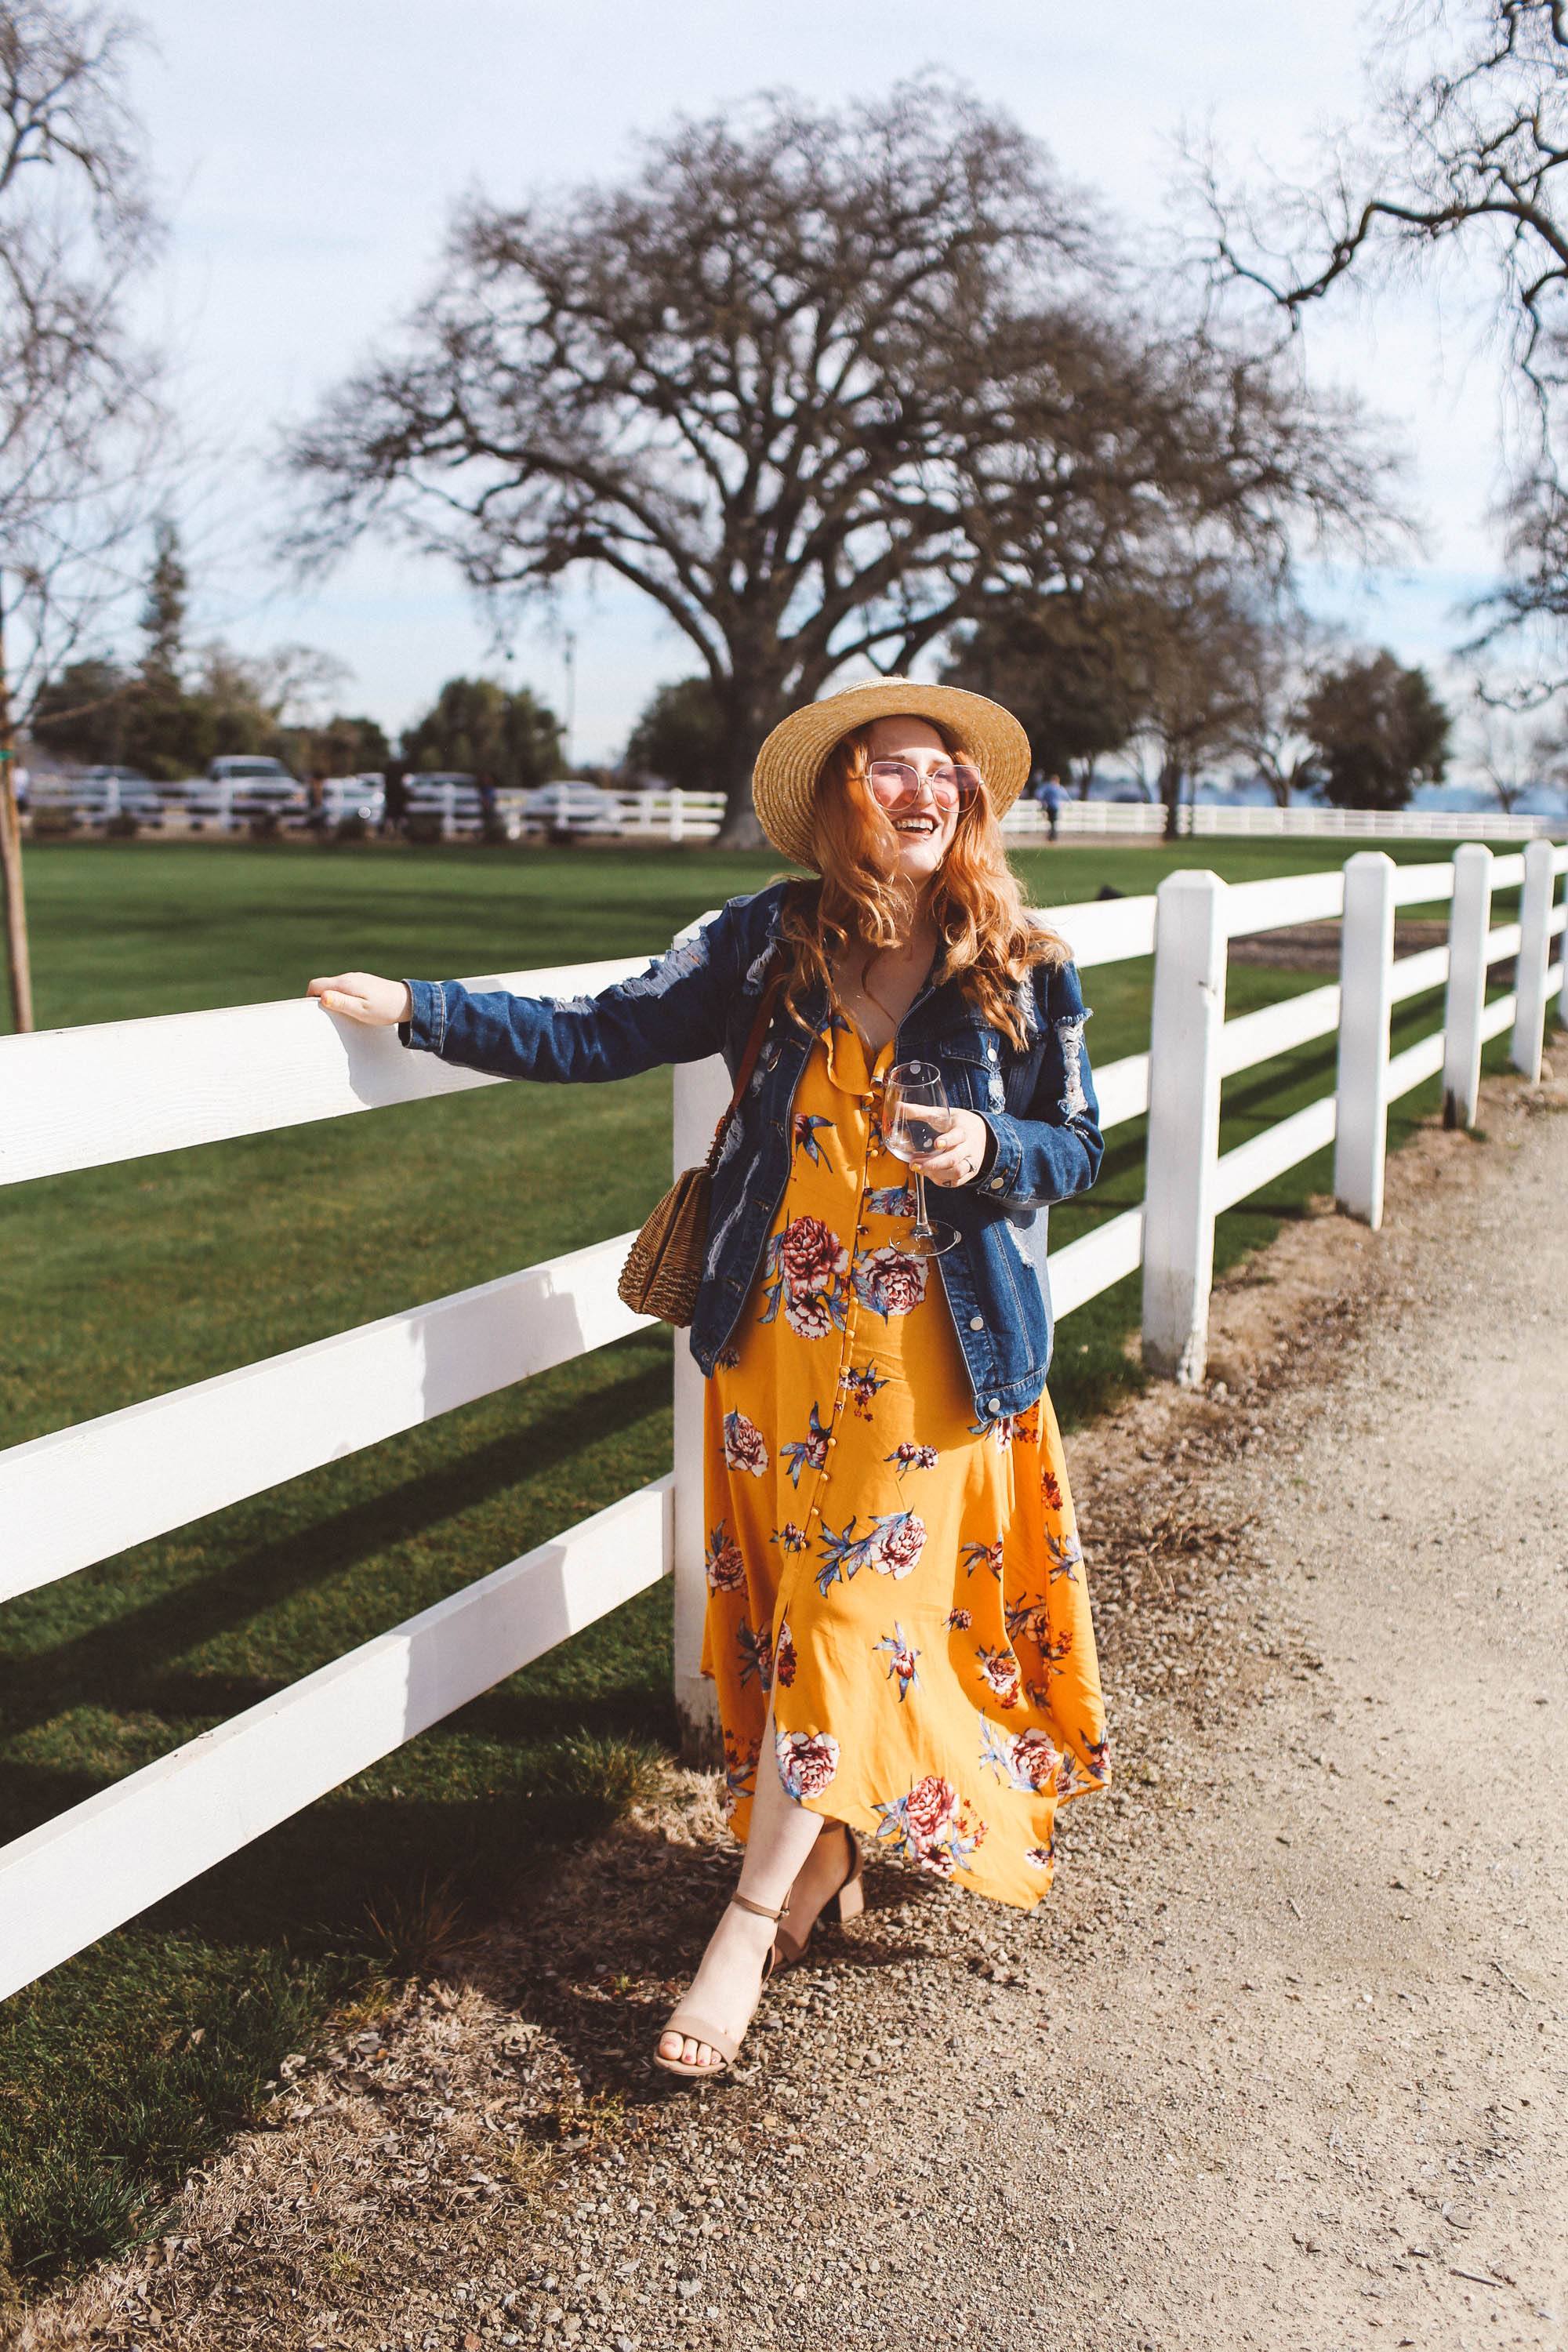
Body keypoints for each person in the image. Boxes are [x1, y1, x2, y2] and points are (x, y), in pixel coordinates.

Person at [306, 677, 1109, 2084]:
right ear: (838, 800)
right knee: (807, 1623)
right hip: (781, 1356)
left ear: (972, 801)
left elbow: (1078, 1146)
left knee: (860, 1614)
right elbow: (604, 1031)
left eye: (941, 771)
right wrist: (420, 1007)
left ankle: (742, 1926)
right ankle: (824, 1863)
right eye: (885, 771)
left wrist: (993, 1154)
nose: (918, 792)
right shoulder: (768, 942)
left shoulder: (1022, 969)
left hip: (937, 1358)